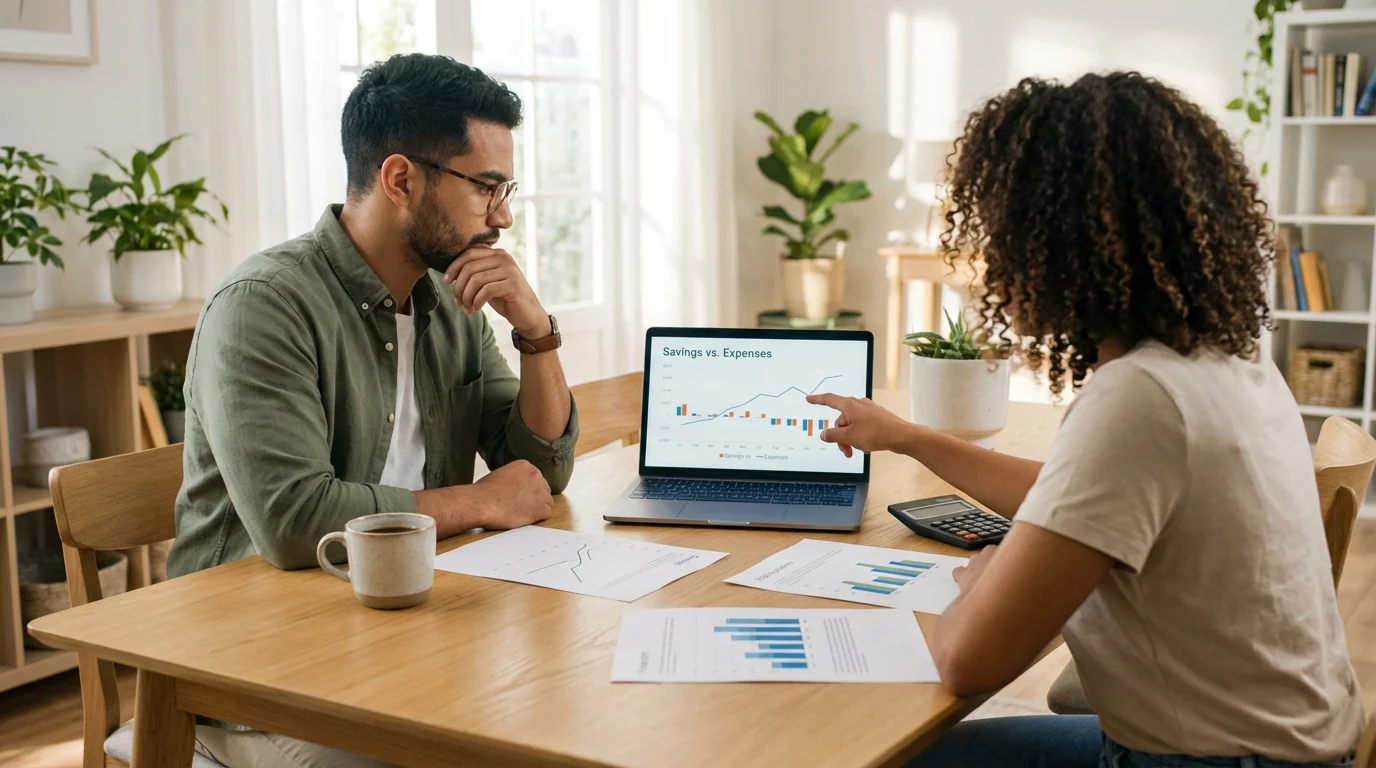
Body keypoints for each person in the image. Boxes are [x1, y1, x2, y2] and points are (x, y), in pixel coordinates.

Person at [808, 72, 1364, 768]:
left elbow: (964, 662)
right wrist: (910, 437)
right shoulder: (1226, 361)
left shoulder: (1141, 397)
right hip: (1285, 744)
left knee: (878, 753)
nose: (995, 266)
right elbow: (1074, 497)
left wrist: (986, 580)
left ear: (1061, 245)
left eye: (1006, 236)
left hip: (1211, 760)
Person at [167, 54, 578, 767]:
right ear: (399, 179)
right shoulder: (264, 307)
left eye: (506, 189)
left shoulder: (453, 304)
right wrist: (477, 500)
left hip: (402, 632)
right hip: (248, 675)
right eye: (486, 187)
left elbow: (542, 472)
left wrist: (536, 332)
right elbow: (295, 522)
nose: (503, 216)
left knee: (564, 711)